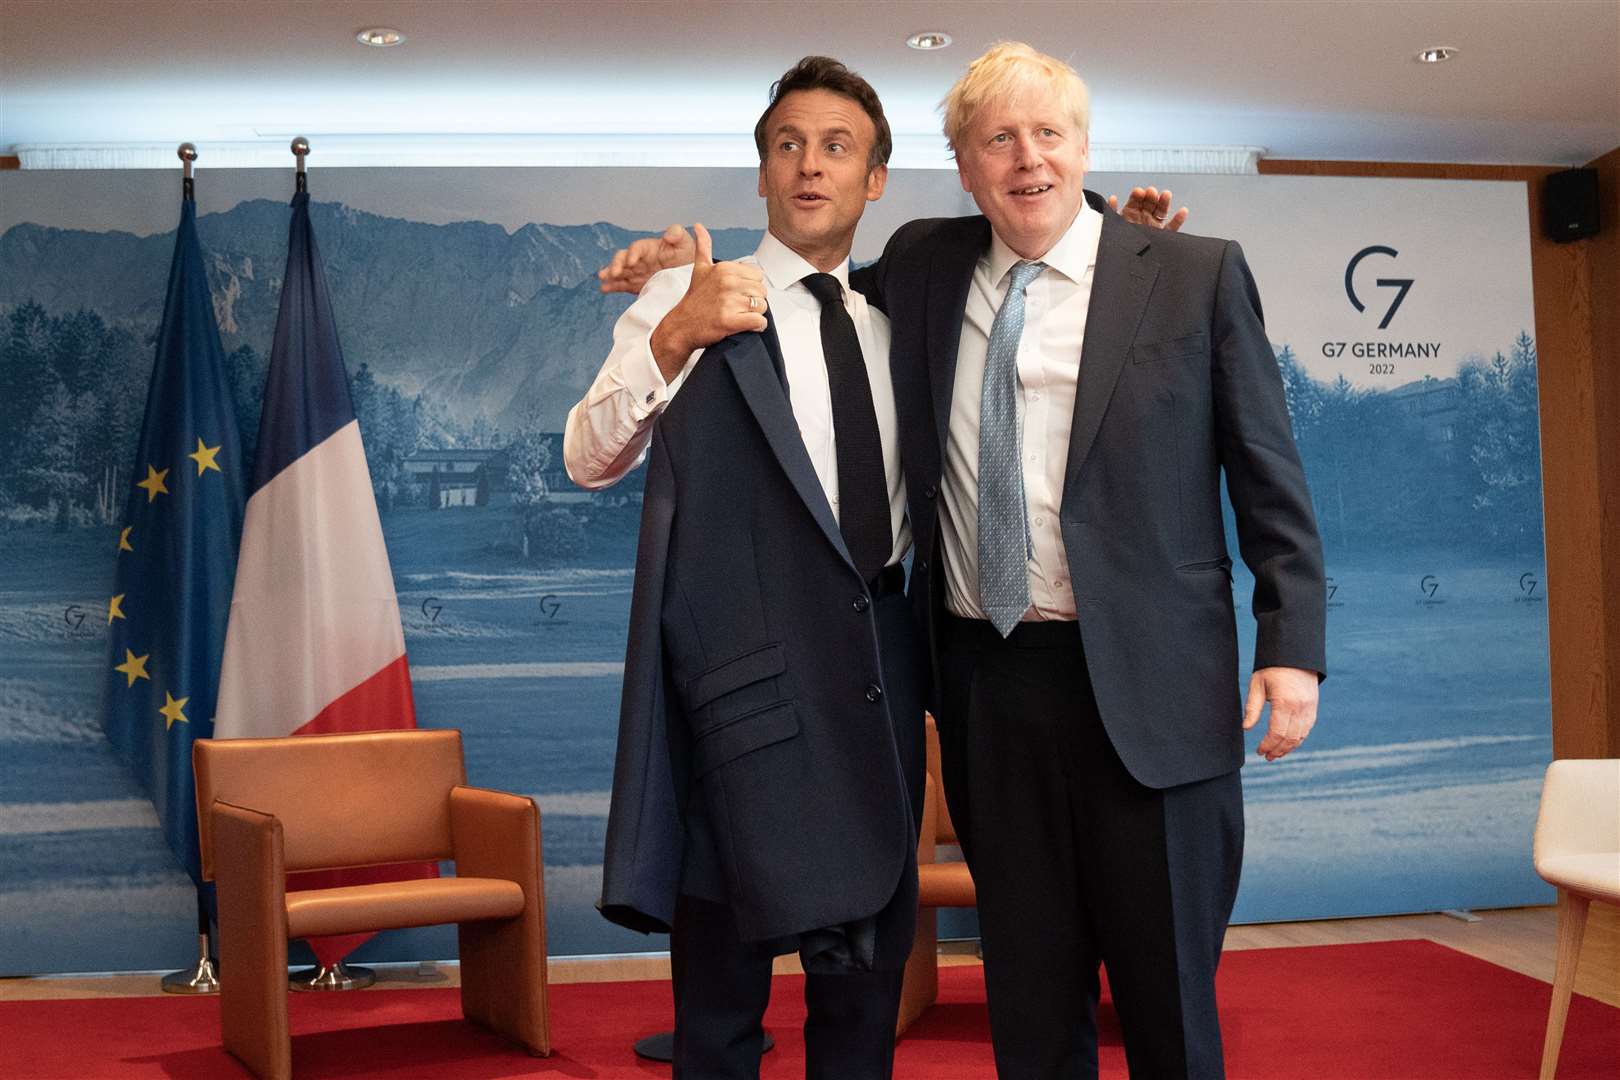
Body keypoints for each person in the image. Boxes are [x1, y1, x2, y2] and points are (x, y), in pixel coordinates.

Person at [595, 42, 1323, 1080]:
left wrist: (1291, 646)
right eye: (999, 141)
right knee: (1029, 994)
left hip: (1156, 699)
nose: (1027, 158)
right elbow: (798, 284)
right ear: (964, 169)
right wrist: (665, 292)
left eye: (1049, 136)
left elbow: (1268, 474)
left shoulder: (1192, 278)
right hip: (991, 692)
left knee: (1167, 1002)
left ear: (1083, 149)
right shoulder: (923, 276)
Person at [587, 57, 925, 1080]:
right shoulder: (684, 300)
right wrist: (678, 328)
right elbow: (588, 451)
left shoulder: (901, 323)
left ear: (874, 181)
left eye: (837, 148)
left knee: (861, 1015)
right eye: (787, 147)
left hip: (879, 692)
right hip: (741, 706)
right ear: (762, 174)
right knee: (722, 1021)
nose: (809, 167)